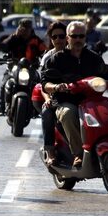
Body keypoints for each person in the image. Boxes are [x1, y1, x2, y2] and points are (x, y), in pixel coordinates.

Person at [41, 21, 108, 168]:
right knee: (68, 114)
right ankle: (78, 154)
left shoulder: (93, 57)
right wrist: (56, 87)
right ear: (68, 38)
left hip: (92, 101)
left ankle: (104, 144)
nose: (78, 39)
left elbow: (106, 74)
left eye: (81, 36)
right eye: (74, 36)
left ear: (86, 37)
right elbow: (45, 83)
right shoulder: (57, 59)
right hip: (66, 101)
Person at [0, 18, 46, 115]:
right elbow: (4, 46)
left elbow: (44, 51)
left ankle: (37, 109)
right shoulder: (14, 38)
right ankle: (2, 108)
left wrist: (45, 59)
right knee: (5, 83)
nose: (25, 31)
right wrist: (14, 36)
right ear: (19, 28)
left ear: (30, 29)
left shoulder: (36, 40)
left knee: (39, 84)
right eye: (23, 28)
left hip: (31, 68)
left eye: (27, 29)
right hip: (14, 67)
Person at [38, 21, 68, 166]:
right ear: (51, 39)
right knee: (47, 112)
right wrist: (48, 98)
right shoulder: (48, 58)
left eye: (61, 36)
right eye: (54, 37)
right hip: (55, 96)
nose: (58, 40)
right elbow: (43, 85)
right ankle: (50, 151)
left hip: (76, 96)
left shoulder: (75, 53)